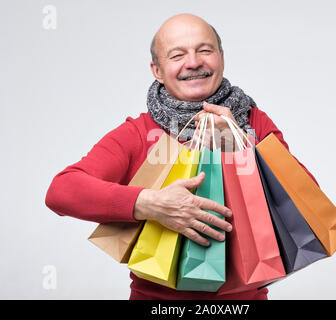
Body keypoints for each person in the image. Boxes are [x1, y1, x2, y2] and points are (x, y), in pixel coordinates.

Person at [45, 13, 319, 300]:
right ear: (158, 70)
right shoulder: (139, 132)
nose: (193, 62)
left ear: (221, 58)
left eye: (205, 50)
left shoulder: (253, 122)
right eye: (177, 55)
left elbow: (308, 199)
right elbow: (61, 191)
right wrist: (150, 203)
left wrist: (240, 145)